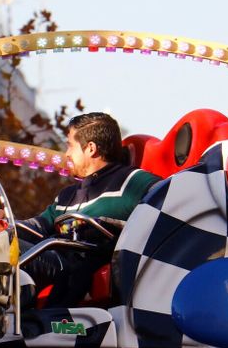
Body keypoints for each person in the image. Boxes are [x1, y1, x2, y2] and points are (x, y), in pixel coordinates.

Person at [18, 112, 160, 307]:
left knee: (5, 245)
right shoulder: (67, 195)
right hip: (53, 259)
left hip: (72, 266)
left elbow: (169, 202)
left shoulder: (132, 181)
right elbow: (36, 227)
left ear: (91, 148)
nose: (66, 154)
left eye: (70, 145)